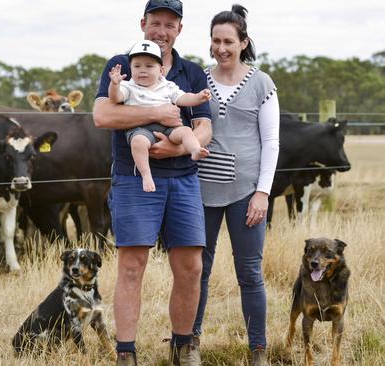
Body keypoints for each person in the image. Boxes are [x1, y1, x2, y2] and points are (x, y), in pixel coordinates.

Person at [93, 0, 212, 364]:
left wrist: (178, 151)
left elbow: (204, 126)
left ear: (179, 30)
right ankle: (126, 352)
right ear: (143, 23)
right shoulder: (123, 63)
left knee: (191, 265)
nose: (162, 31)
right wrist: (156, 113)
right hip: (133, 178)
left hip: (183, 179)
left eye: (170, 25)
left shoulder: (191, 72)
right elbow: (102, 114)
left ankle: (182, 346)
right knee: (132, 265)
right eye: (155, 23)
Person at [192, 5, 279, 366]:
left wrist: (262, 192)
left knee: (249, 272)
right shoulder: (198, 80)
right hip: (201, 192)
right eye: (216, 41)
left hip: (246, 192)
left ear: (244, 43)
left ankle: (257, 348)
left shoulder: (262, 83)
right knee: (197, 270)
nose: (221, 48)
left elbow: (271, 141)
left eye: (229, 41)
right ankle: (188, 343)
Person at [108, 40, 211, 192]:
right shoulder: (129, 86)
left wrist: (198, 97)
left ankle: (195, 150)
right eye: (137, 66)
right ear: (131, 68)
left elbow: (182, 98)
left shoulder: (167, 86)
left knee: (186, 131)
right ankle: (146, 174)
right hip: (141, 129)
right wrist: (115, 84)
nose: (142, 70)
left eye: (149, 66)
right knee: (138, 143)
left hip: (169, 128)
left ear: (161, 70)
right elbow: (115, 98)